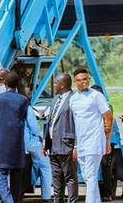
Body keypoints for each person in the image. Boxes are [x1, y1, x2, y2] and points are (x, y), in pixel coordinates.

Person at [69, 69, 112, 203]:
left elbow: (109, 118)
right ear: (75, 82)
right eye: (80, 80)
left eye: (85, 79)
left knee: (92, 175)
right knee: (88, 176)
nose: (83, 82)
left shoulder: (97, 96)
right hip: (81, 142)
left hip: (95, 140)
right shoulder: (73, 99)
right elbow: (74, 123)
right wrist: (75, 146)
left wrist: (107, 142)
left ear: (89, 80)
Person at [0, 70, 28, 203]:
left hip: (0, 143)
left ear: (4, 83)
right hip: (17, 145)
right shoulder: (23, 100)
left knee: (1, 179)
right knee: (16, 181)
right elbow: (23, 117)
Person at [45, 73, 77, 203]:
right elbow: (50, 122)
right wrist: (46, 143)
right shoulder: (55, 99)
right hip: (53, 146)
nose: (54, 85)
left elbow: (78, 124)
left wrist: (76, 146)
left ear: (62, 84)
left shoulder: (74, 99)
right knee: (56, 180)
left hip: (66, 145)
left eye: (56, 83)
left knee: (70, 178)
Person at [23, 92, 52, 202]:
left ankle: (26, 186)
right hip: (31, 143)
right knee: (45, 166)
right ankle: (46, 196)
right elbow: (34, 127)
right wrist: (40, 136)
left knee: (34, 166)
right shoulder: (28, 108)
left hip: (17, 144)